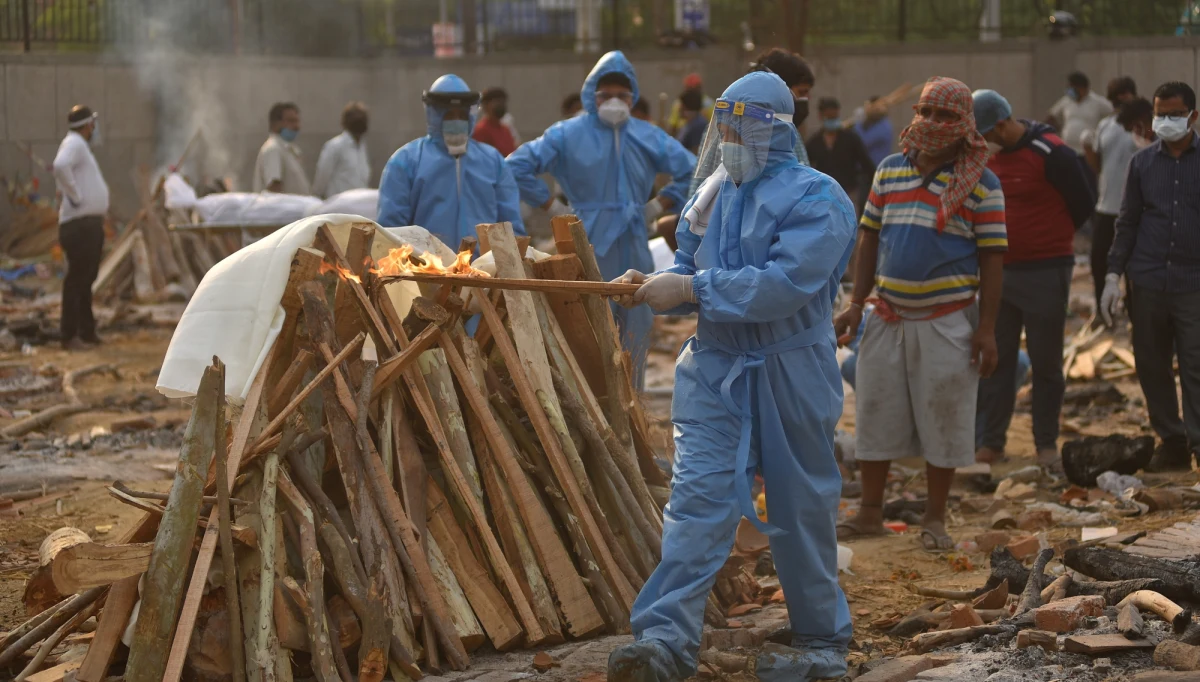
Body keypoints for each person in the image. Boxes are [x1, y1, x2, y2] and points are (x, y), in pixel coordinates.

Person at [607, 70, 856, 682]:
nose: (729, 136)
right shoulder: (713, 192)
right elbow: (690, 261)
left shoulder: (819, 198)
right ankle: (664, 640)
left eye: (743, 124)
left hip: (791, 368)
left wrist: (692, 287)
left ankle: (822, 637)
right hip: (715, 368)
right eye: (724, 124)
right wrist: (657, 283)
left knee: (801, 505)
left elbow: (782, 286)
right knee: (698, 500)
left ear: (775, 129)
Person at [834, 77, 1006, 551]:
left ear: (964, 125)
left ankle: (934, 518)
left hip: (947, 319)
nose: (932, 123)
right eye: (925, 112)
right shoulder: (889, 170)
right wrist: (854, 304)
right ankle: (870, 513)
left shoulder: (982, 184)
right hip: (886, 315)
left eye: (945, 116)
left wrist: (986, 329)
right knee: (875, 412)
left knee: (944, 417)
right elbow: (869, 238)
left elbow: (993, 259)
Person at [507, 51, 695, 388]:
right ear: (591, 96)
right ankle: (598, 414)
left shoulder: (646, 135)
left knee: (636, 327)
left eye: (622, 95)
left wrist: (657, 206)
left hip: (635, 238)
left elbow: (690, 169)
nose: (614, 101)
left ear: (633, 96)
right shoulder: (567, 134)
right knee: (589, 327)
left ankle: (633, 407)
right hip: (585, 239)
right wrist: (553, 207)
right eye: (605, 94)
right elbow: (517, 164)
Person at [971, 89, 1095, 468]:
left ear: (1003, 124)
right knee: (996, 358)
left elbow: (1084, 202)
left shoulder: (1052, 153)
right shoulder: (986, 159)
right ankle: (991, 441)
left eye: (988, 133)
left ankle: (1045, 444)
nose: (985, 141)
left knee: (1046, 363)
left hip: (1045, 270)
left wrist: (1048, 237)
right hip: (1000, 273)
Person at [1101, 81, 1200, 471]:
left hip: (1193, 283)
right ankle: (1172, 442)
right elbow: (1127, 224)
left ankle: (1198, 440)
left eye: (1174, 115)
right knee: (1152, 364)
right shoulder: (1141, 164)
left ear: (1192, 116)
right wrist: (1112, 275)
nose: (1166, 121)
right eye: (1160, 115)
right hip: (1147, 281)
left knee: (1195, 364)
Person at [377, 74, 524, 247]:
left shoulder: (494, 163)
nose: (456, 120)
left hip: (484, 271)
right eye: (448, 114)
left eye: (462, 114)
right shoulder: (405, 162)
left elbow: (511, 227)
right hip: (426, 269)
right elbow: (391, 233)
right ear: (433, 115)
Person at [52, 105, 109, 351]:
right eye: (92, 125)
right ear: (87, 126)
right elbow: (59, 165)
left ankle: (87, 331)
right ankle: (69, 335)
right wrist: (75, 196)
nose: (94, 129)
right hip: (79, 225)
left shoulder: (79, 145)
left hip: (87, 225)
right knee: (77, 280)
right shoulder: (74, 143)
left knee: (86, 279)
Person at [1085, 77, 1139, 305]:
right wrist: (1087, 148)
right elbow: (1099, 165)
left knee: (1133, 266)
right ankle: (1103, 309)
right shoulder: (1106, 125)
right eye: (1116, 98)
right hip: (1105, 208)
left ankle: (1133, 311)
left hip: (1134, 209)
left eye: (1125, 96)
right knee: (1099, 261)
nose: (1120, 102)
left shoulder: (1143, 126)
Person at [749, 47, 815, 166]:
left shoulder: (789, 133)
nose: (807, 99)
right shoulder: (731, 130)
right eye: (801, 92)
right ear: (780, 90)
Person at [806, 97, 876, 208]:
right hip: (824, 195)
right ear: (821, 116)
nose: (832, 120)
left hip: (849, 192)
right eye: (829, 117)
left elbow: (867, 164)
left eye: (834, 117)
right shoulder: (814, 142)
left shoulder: (851, 138)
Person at [312, 101, 371, 199]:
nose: (359, 122)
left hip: (359, 205)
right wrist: (316, 198)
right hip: (339, 205)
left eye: (362, 119)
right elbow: (322, 177)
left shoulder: (362, 147)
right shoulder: (335, 146)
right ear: (345, 122)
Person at [1047, 71, 1113, 153]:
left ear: (1083, 88)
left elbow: (1114, 111)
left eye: (1073, 87)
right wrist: (1059, 129)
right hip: (1068, 147)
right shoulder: (1067, 100)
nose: (1070, 90)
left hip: (1087, 150)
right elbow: (1051, 116)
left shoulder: (1097, 101)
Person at [254, 102, 311, 194]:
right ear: (276, 123)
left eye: (297, 121)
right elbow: (273, 187)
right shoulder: (273, 149)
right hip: (284, 208)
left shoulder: (289, 150)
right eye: (291, 121)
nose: (296, 126)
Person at [472, 87, 517, 157]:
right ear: (485, 105)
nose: (501, 105)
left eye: (503, 101)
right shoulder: (480, 131)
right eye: (497, 101)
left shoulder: (506, 130)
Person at [855, 96, 895, 166]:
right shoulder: (865, 124)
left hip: (877, 167)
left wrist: (858, 124)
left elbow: (862, 142)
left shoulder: (884, 126)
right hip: (864, 168)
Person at [674, 89, 707, 154]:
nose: (678, 108)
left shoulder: (699, 125)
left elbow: (696, 151)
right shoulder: (689, 123)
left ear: (685, 107)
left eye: (681, 105)